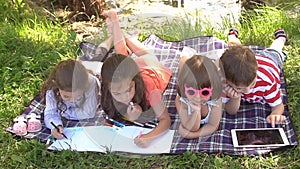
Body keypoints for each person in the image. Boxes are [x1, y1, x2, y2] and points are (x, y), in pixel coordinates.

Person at [100, 10, 172, 148]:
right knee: (120, 53)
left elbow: (165, 120)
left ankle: (123, 33)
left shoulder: (151, 91)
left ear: (135, 82)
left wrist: (150, 137)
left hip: (152, 67)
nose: (125, 96)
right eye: (117, 93)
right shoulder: (109, 86)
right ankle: (115, 22)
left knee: (146, 54)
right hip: (131, 69)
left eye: (129, 90)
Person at [220, 28, 288, 127]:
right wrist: (235, 98)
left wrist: (275, 114)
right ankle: (232, 35)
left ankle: (281, 37)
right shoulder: (225, 82)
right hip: (249, 63)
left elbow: (278, 105)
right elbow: (231, 111)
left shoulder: (267, 81)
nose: (247, 91)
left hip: (270, 60)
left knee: (276, 49)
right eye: (239, 88)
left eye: (252, 84)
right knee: (235, 49)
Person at [42, 59, 100, 139]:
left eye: (78, 95)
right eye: (66, 96)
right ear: (57, 87)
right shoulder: (52, 90)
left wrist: (63, 112)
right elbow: (50, 113)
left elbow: (89, 113)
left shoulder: (91, 83)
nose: (72, 100)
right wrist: (56, 126)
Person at [175, 55, 223, 139]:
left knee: (216, 68)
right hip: (186, 82)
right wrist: (196, 111)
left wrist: (193, 135)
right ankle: (184, 58)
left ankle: (217, 59)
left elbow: (213, 126)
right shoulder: (181, 100)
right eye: (191, 91)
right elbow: (192, 128)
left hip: (209, 78)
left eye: (204, 92)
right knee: (183, 68)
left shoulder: (215, 101)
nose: (197, 97)